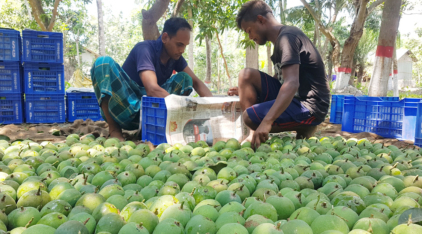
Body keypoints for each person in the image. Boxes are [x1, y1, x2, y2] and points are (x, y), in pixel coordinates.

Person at [229, 0, 330, 148]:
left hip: (309, 105)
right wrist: (248, 91)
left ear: (261, 20)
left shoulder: (287, 37)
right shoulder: (280, 41)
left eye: (249, 30)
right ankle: (252, 135)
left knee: (250, 117)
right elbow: (281, 79)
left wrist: (267, 121)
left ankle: (305, 126)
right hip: (294, 97)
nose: (250, 37)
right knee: (246, 75)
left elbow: (291, 83)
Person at [91, 18, 213, 141]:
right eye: (179, 44)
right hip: (125, 106)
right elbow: (152, 89)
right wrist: (182, 106)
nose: (182, 50)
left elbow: (196, 82)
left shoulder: (175, 58)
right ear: (165, 37)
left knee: (185, 79)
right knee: (103, 62)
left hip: (149, 112)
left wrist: (215, 106)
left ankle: (154, 129)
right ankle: (114, 130)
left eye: (185, 46)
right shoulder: (144, 49)